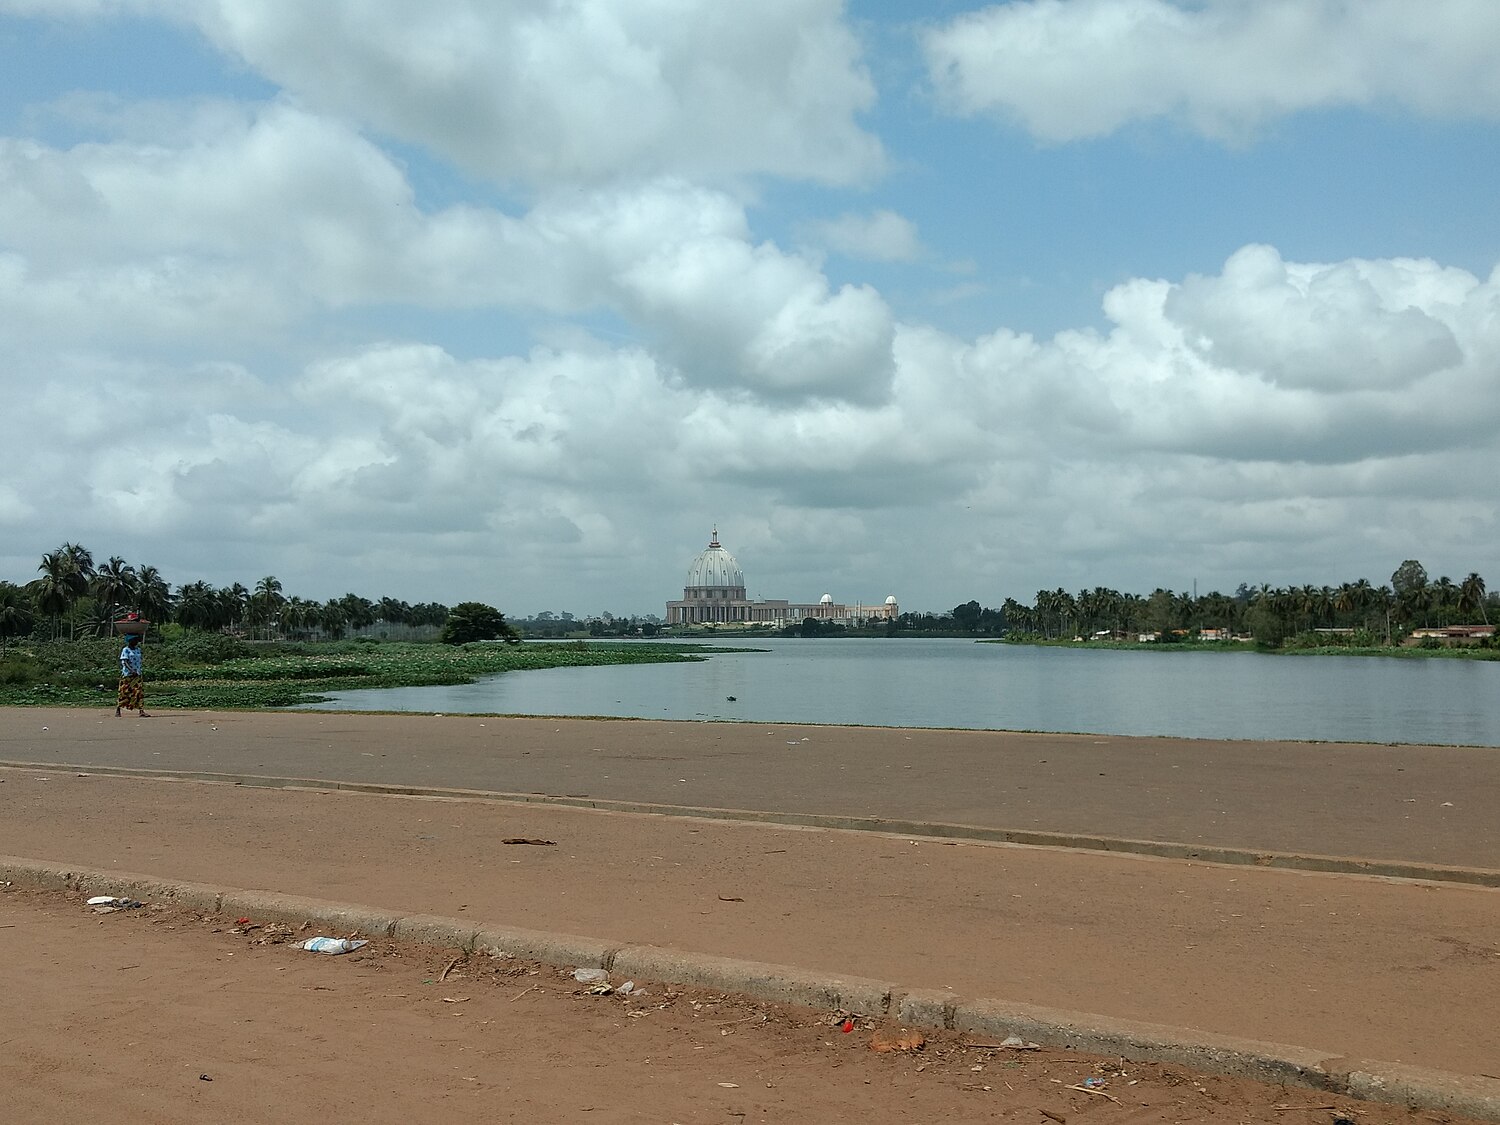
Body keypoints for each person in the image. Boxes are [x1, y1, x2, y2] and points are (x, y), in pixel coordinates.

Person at [116, 634, 149, 718]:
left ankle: (141, 711)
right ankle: (118, 709)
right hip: (127, 675)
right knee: (124, 692)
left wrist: (137, 671)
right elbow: (124, 662)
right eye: (135, 640)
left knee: (139, 692)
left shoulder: (138, 650)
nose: (136, 642)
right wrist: (131, 670)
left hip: (137, 675)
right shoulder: (126, 650)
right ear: (130, 641)